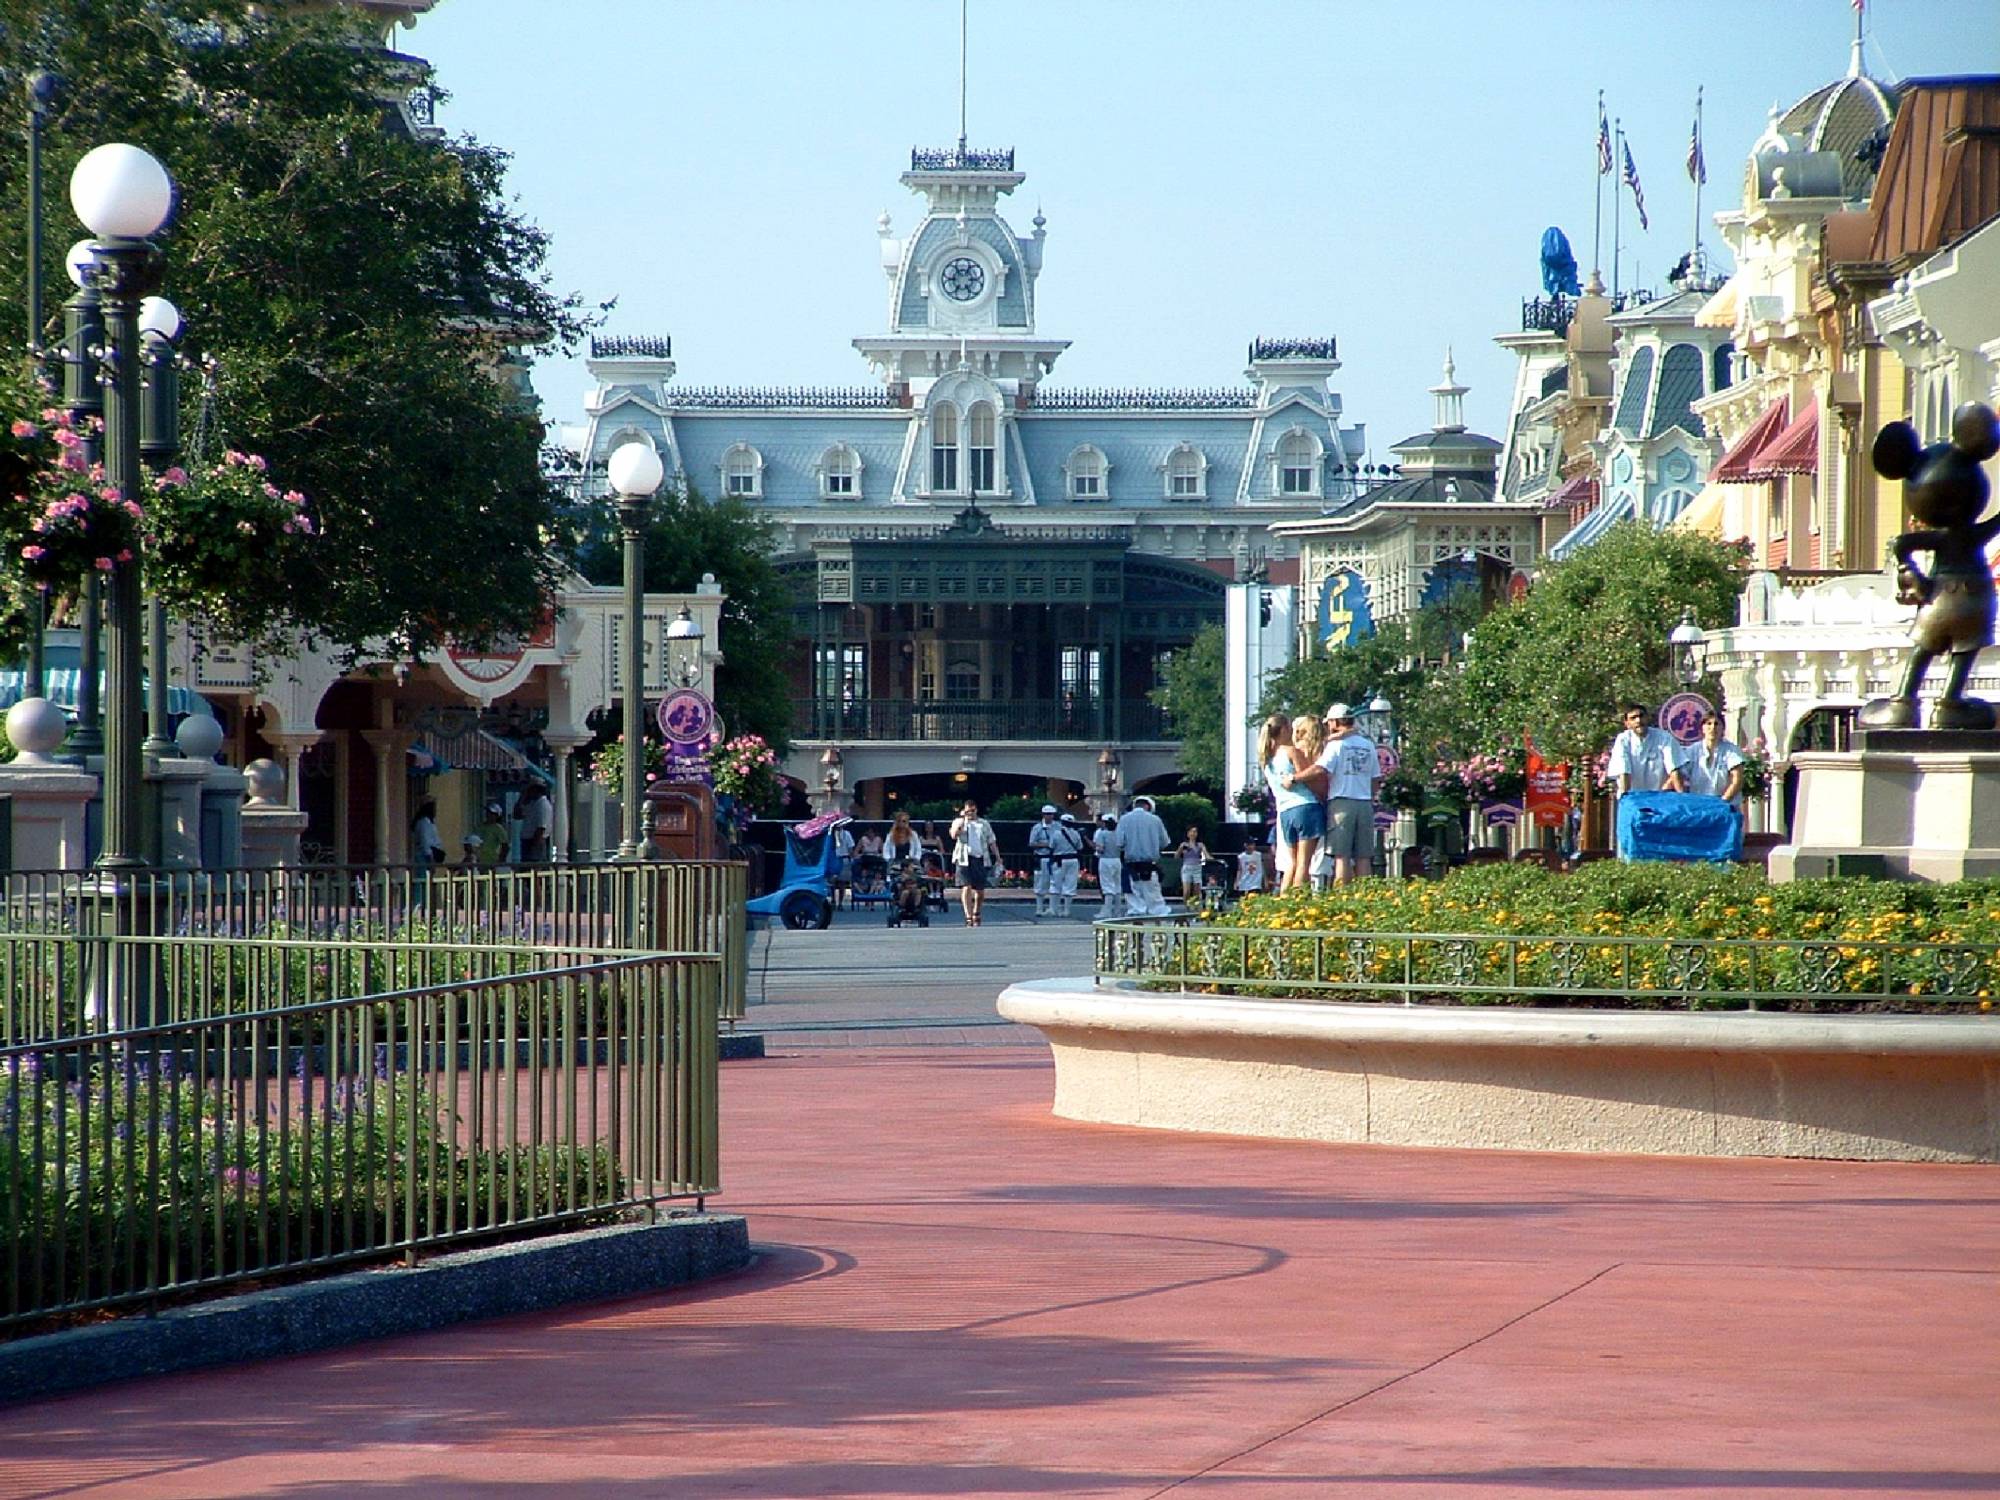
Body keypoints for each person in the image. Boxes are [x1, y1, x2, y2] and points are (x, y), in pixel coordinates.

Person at [1318, 702, 1383, 883]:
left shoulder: (1336, 745)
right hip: (1364, 802)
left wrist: (1296, 778)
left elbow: (1321, 769)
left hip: (1341, 801)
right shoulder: (1368, 745)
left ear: (1336, 722)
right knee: (1364, 856)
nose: (1328, 727)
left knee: (1341, 855)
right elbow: (1376, 778)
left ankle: (1342, 897)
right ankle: (1365, 896)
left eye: (1329, 723)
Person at [1266, 714, 1326, 892]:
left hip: (1285, 811)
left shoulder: (1267, 759)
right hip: (1306, 807)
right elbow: (1309, 777)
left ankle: (1283, 904)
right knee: (1303, 864)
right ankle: (1299, 904)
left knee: (1292, 864)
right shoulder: (1291, 752)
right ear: (1284, 729)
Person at [1607, 703, 1685, 796]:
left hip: (1660, 796)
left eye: (1641, 716)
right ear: (1627, 723)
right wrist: (1626, 799)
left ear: (1648, 718)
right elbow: (1624, 772)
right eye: (1633, 718)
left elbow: (1674, 769)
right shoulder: (1623, 740)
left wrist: (1681, 796)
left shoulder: (1664, 737)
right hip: (1633, 798)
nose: (1638, 720)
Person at [1115, 794, 1172, 917]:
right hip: (1150, 864)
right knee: (1154, 896)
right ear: (1147, 806)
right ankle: (1158, 921)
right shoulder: (1155, 820)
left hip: (1131, 864)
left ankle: (1136, 917)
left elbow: (1119, 843)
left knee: (1133, 896)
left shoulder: (1124, 819)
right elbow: (1165, 842)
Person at [1679, 711, 1745, 809]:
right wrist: (1686, 799)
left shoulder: (1732, 751)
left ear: (1723, 728)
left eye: (1717, 724)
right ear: (1702, 728)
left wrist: (1722, 803)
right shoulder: (1692, 751)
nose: (1713, 728)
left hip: (1726, 806)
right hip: (1698, 806)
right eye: (1708, 724)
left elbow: (1737, 780)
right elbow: (1679, 776)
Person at [949, 800, 1000, 927]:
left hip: (980, 858)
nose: (970, 813)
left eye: (972, 810)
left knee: (980, 890)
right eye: (967, 811)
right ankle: (968, 915)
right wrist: (962, 821)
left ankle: (976, 911)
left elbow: (991, 841)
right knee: (966, 887)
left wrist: (998, 857)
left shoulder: (983, 824)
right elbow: (953, 835)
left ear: (976, 810)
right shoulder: (959, 822)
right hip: (964, 858)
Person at [1028, 804, 1065, 916]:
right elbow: (1032, 843)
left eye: (1051, 814)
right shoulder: (1037, 828)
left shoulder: (1058, 826)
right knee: (1041, 883)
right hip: (1042, 858)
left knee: (1056, 883)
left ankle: (1053, 908)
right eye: (1047, 814)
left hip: (1055, 858)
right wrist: (1045, 845)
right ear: (1043, 815)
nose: (1049, 816)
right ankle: (1039, 908)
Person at [1050, 813, 1086, 917]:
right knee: (1070, 885)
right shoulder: (1076, 833)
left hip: (1059, 860)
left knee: (1056, 884)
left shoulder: (1056, 833)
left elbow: (1052, 846)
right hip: (1073, 860)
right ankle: (1067, 910)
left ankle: (1054, 908)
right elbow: (1080, 847)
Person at [1093, 812, 1125, 920]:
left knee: (1107, 886)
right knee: (1117, 886)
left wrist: (1096, 847)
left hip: (1105, 860)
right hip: (1117, 860)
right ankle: (1117, 911)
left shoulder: (1102, 834)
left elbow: (1100, 848)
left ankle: (1107, 911)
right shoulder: (1119, 833)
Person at [517, 785, 554, 863]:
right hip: (527, 841)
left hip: (535, 841)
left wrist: (534, 846)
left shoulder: (543, 805)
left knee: (534, 866)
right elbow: (517, 814)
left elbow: (541, 827)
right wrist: (521, 798)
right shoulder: (532, 804)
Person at [1175, 827, 1211, 906]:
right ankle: (1186, 908)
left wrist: (1211, 859)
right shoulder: (1184, 844)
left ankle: (1195, 909)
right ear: (1188, 834)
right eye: (1191, 832)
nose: (1193, 834)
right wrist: (1180, 849)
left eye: (1195, 832)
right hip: (1187, 868)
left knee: (1197, 891)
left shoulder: (1200, 845)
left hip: (1197, 868)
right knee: (1186, 891)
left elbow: (1206, 854)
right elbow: (1176, 856)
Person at [411, 800, 445, 866]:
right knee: (423, 875)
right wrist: (430, 857)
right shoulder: (424, 823)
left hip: (430, 856)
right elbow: (425, 841)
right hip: (425, 857)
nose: (435, 811)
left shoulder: (430, 823)